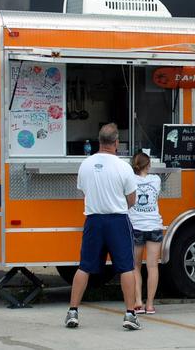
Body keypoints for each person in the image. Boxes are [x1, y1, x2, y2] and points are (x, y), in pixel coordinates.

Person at [65, 123, 141, 330]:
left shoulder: (86, 164)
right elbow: (132, 199)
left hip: (93, 220)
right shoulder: (123, 166)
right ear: (116, 143)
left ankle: (73, 312)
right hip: (117, 220)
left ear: (99, 141)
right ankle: (130, 314)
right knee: (126, 267)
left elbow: (84, 192)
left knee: (85, 266)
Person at [129, 152, 163, 315]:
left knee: (135, 266)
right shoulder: (156, 180)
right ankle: (150, 305)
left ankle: (138, 302)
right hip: (154, 226)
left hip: (136, 226)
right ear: (148, 165)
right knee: (152, 266)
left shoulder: (130, 180)